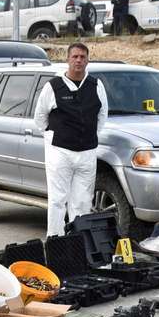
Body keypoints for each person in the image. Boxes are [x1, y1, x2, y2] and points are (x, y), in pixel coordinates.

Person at [32, 43, 108, 237]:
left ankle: (79, 243)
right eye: (75, 56)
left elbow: (102, 116)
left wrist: (87, 136)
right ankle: (55, 240)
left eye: (82, 57)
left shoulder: (96, 85)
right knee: (57, 200)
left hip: (87, 152)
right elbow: (40, 119)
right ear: (68, 59)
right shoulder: (53, 87)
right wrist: (54, 135)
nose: (78, 60)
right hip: (60, 152)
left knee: (83, 202)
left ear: (88, 60)